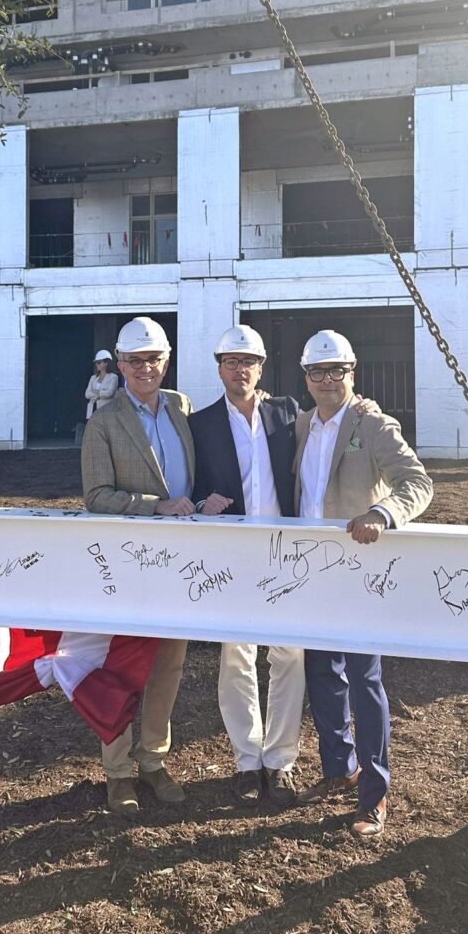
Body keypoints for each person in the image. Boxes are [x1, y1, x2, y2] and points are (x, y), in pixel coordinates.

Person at [293, 329, 433, 838]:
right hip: (310, 570)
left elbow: (418, 482)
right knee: (322, 673)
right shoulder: (301, 424)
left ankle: (375, 793)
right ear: (306, 378)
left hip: (358, 570)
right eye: (318, 372)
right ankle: (339, 769)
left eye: (338, 371)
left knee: (364, 679)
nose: (328, 380)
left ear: (353, 373)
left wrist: (382, 512)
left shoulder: (373, 423)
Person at [81, 316, 194, 817]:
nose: (145, 368)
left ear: (166, 361)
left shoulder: (182, 408)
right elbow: (96, 496)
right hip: (130, 562)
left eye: (153, 359)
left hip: (183, 563)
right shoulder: (103, 422)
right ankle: (118, 771)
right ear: (119, 365)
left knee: (169, 665)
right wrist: (155, 505)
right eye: (134, 360)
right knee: (125, 667)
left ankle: (153, 760)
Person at [189, 325, 303, 808]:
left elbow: (335, 421)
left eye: (248, 361)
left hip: (284, 553)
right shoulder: (201, 423)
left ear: (261, 367)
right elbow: (189, 481)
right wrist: (200, 502)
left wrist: (366, 406)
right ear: (219, 367)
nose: (240, 369)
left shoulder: (287, 413)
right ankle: (246, 760)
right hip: (234, 554)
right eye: (231, 361)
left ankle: (280, 761)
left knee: (290, 656)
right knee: (236, 658)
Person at [85, 349, 118, 420]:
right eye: (96, 363)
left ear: (106, 363)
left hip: (106, 411)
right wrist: (99, 395)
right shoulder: (93, 377)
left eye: (99, 362)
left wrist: (96, 393)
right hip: (92, 411)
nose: (97, 365)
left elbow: (109, 393)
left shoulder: (113, 377)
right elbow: (87, 394)